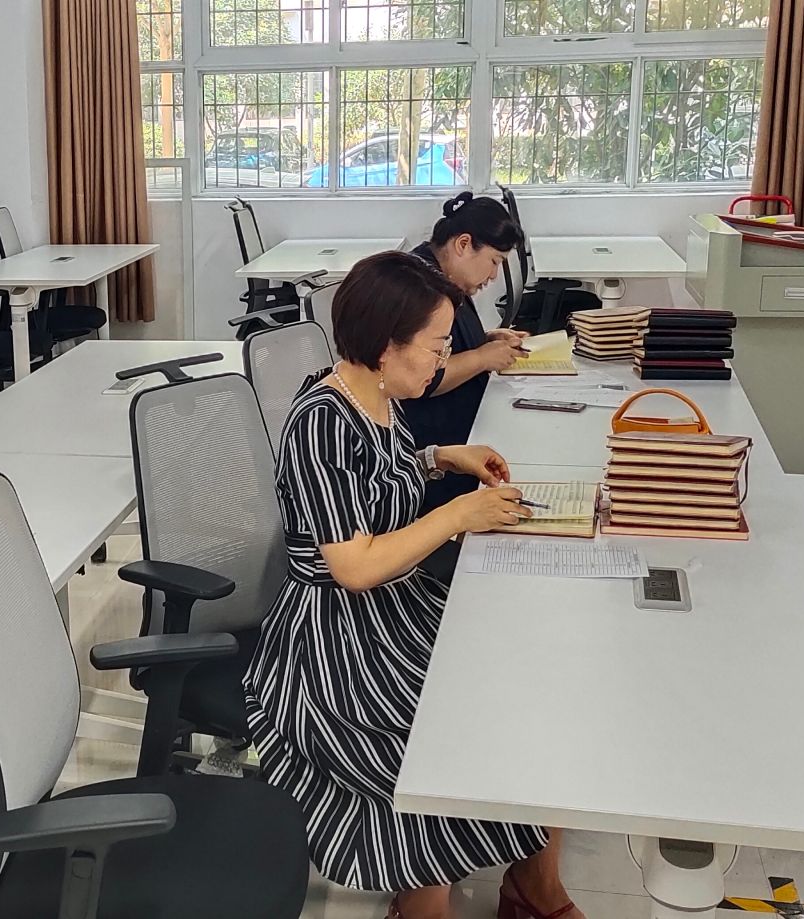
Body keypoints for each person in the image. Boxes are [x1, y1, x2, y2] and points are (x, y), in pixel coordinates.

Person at [246, 252, 581, 919]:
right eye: (435, 346)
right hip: (336, 641)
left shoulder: (376, 395)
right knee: (434, 737)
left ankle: (533, 885)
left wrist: (441, 458)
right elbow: (354, 566)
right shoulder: (322, 421)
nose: (443, 360)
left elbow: (382, 476)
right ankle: (425, 902)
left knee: (528, 691)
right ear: (384, 346)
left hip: (393, 607)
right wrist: (457, 515)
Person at [403, 192, 531, 514]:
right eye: (494, 261)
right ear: (463, 244)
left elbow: (447, 346)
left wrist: (485, 339)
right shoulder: (422, 288)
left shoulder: (446, 276)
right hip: (438, 446)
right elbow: (425, 377)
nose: (493, 275)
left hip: (465, 427)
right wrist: (482, 357)